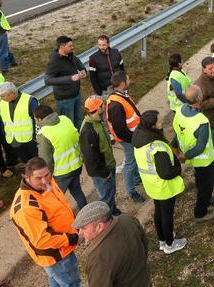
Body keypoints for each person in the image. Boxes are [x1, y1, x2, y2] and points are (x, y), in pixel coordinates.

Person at [11, 157, 80, 287]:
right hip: (56, 253)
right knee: (70, 285)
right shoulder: (27, 207)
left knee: (57, 279)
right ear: (27, 178)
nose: (45, 181)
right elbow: (43, 239)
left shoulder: (45, 183)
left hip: (59, 248)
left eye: (47, 175)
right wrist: (74, 238)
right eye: (39, 178)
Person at [71, 202, 152, 287]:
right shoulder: (128, 220)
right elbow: (144, 247)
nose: (80, 234)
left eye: (83, 228)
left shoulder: (99, 258)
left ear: (99, 226)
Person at [133, 110, 188, 253]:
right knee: (167, 215)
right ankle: (170, 244)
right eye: (159, 121)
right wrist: (178, 168)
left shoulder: (139, 136)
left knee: (159, 211)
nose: (161, 122)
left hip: (152, 184)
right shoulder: (156, 146)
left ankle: (162, 240)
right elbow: (166, 172)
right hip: (164, 186)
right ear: (152, 125)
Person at [173, 85, 214, 222]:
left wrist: (177, 148)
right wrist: (184, 156)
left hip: (191, 156)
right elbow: (200, 147)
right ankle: (201, 212)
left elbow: (177, 131)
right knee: (206, 184)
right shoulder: (202, 121)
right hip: (204, 160)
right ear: (199, 98)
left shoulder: (180, 110)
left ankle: (207, 198)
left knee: (200, 180)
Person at [34, 105, 87, 210]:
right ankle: (87, 213)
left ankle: (66, 221)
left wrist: (46, 176)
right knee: (77, 190)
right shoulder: (65, 119)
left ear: (39, 119)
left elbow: (46, 160)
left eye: (35, 119)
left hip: (61, 173)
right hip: (77, 164)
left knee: (57, 199)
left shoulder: (43, 133)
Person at [106, 71, 145, 203]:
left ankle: (136, 179)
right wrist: (133, 138)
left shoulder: (121, 97)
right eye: (127, 80)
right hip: (128, 139)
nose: (130, 81)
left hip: (132, 136)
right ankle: (131, 191)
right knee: (130, 163)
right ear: (122, 83)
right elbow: (120, 129)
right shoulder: (116, 104)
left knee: (133, 161)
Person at [79, 96, 120, 216]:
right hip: (101, 172)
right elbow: (91, 159)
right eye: (102, 104)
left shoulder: (96, 121)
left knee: (111, 193)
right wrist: (105, 173)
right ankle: (108, 221)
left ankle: (114, 212)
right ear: (99, 108)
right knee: (105, 199)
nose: (105, 106)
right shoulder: (88, 130)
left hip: (107, 166)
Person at [44, 35, 87, 128]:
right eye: (70, 46)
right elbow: (47, 80)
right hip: (65, 99)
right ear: (62, 47)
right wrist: (70, 78)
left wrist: (82, 69)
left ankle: (80, 140)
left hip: (76, 94)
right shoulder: (54, 61)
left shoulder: (70, 55)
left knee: (79, 121)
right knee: (69, 125)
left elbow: (77, 61)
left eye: (72, 45)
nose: (72, 47)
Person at [0, 81, 39, 164]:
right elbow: (3, 119)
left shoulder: (30, 101)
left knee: (36, 161)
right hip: (14, 139)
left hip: (30, 140)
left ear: (12, 93)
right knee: (26, 161)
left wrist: (35, 137)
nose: (1, 98)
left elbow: (37, 121)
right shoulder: (3, 102)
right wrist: (4, 133)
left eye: (3, 96)